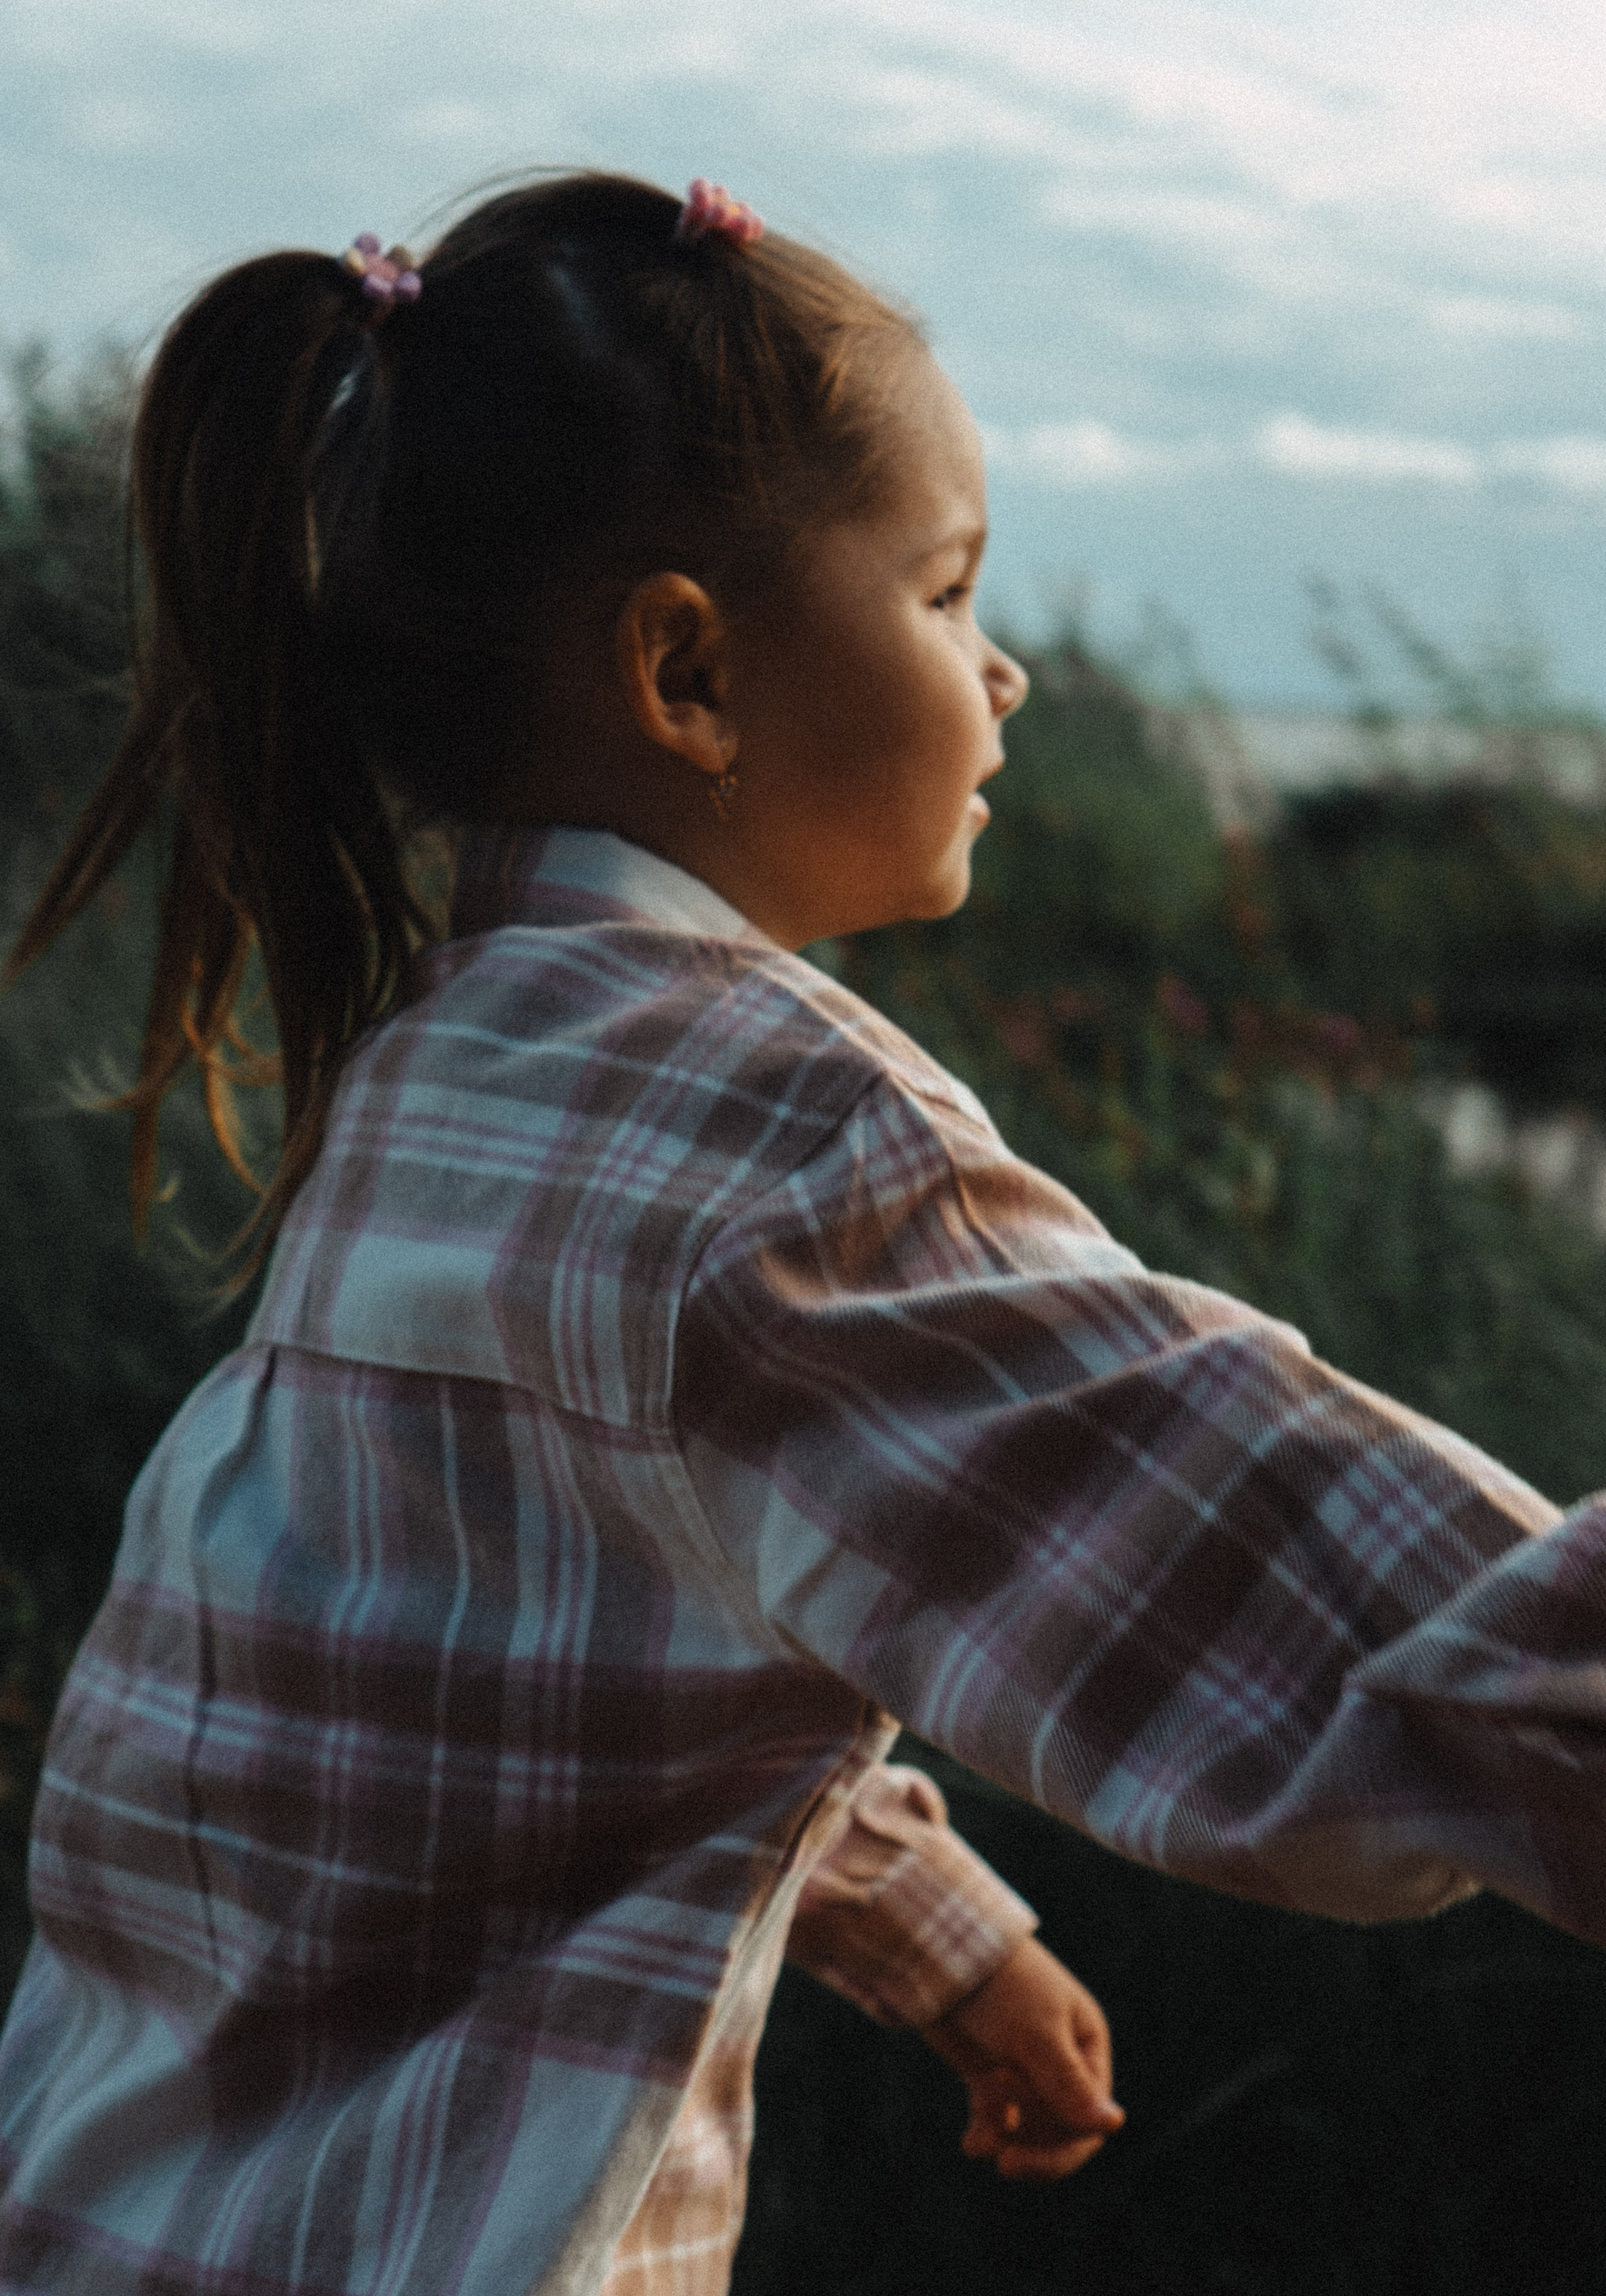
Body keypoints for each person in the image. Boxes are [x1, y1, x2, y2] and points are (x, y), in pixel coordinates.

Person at [1, 170, 1604, 2296]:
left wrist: (928, 1932)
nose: (1008, 670)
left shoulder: (437, 1083)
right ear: (686, 671)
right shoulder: (777, 1155)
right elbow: (1325, 1630)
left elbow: (515, 1652)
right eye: (946, 591)